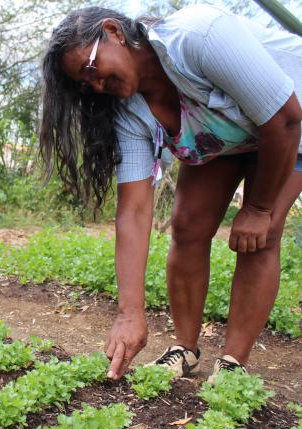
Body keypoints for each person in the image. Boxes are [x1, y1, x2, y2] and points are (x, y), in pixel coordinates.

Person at [40, 4, 302, 382]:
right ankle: (185, 348)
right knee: (187, 226)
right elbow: (133, 211)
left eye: (92, 69)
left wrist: (259, 208)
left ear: (113, 31)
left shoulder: (197, 36)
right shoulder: (128, 109)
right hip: (229, 137)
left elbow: (285, 119)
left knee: (260, 235)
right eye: (85, 85)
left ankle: (233, 363)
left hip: (288, 122)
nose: (96, 86)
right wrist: (129, 314)